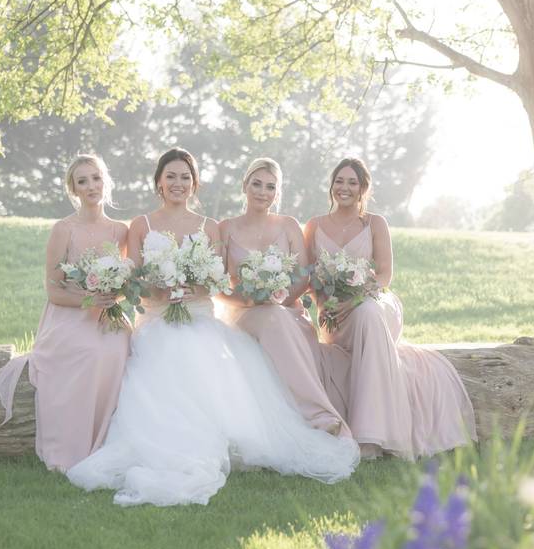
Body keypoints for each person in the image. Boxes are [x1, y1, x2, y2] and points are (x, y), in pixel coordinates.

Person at [66, 148, 359, 506]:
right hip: (157, 318)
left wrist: (193, 287)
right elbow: (136, 279)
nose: (178, 183)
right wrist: (162, 287)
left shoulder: (210, 227)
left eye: (185, 177)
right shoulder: (140, 225)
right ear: (159, 181)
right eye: (171, 176)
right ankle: (171, 444)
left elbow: (218, 281)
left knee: (202, 353)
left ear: (195, 184)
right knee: (167, 351)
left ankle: (231, 439)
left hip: (200, 317)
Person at [303, 157, 477, 460]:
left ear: (363, 189)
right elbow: (309, 279)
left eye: (352, 182)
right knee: (361, 317)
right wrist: (329, 305)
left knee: (368, 313)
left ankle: (373, 436)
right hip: (335, 313)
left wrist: (356, 298)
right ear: (331, 186)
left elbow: (384, 276)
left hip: (375, 301)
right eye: (339, 181)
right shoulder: (315, 226)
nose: (344, 188)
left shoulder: (374, 223)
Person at [0, 154, 130, 472]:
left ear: (105, 181)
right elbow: (54, 290)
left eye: (96, 178)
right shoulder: (63, 229)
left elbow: (124, 282)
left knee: (118, 349)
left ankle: (107, 441)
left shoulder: (119, 231)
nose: (91, 186)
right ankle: (73, 447)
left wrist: (111, 295)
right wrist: (89, 300)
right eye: (82, 181)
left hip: (107, 315)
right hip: (69, 315)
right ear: (74, 189)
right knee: (89, 352)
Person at [218, 158, 350, 436]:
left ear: (277, 193)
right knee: (272, 318)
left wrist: (278, 296)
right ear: (245, 185)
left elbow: (302, 277)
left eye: (270, 187)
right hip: (244, 312)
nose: (262, 192)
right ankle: (316, 413)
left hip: (286, 308)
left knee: (278, 317)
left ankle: (315, 408)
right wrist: (251, 299)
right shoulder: (226, 228)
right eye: (256, 184)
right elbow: (216, 284)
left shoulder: (288, 225)